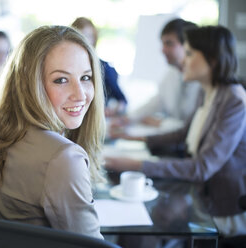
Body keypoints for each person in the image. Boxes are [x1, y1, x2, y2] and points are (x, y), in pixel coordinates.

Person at [0, 25, 106, 239]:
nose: (80, 94)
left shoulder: (1, 133)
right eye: (61, 80)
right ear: (29, 85)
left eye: (85, 77)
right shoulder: (63, 158)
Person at [105, 25, 246, 237]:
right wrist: (132, 137)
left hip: (219, 207)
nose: (184, 61)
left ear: (212, 59)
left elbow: (202, 167)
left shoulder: (233, 100)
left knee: (146, 221)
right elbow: (182, 134)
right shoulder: (209, 91)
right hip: (197, 191)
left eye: (189, 54)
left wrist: (136, 164)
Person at [122, 18, 201, 127]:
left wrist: (160, 122)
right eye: (163, 44)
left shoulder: (203, 81)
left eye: (169, 43)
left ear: (188, 46)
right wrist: (128, 118)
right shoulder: (171, 74)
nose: (162, 50)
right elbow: (157, 101)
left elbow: (192, 128)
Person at [71, 17, 127, 116]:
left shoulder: (105, 67)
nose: (85, 40)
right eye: (80, 35)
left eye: (88, 36)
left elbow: (122, 100)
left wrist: (113, 110)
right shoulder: (66, 65)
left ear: (94, 38)